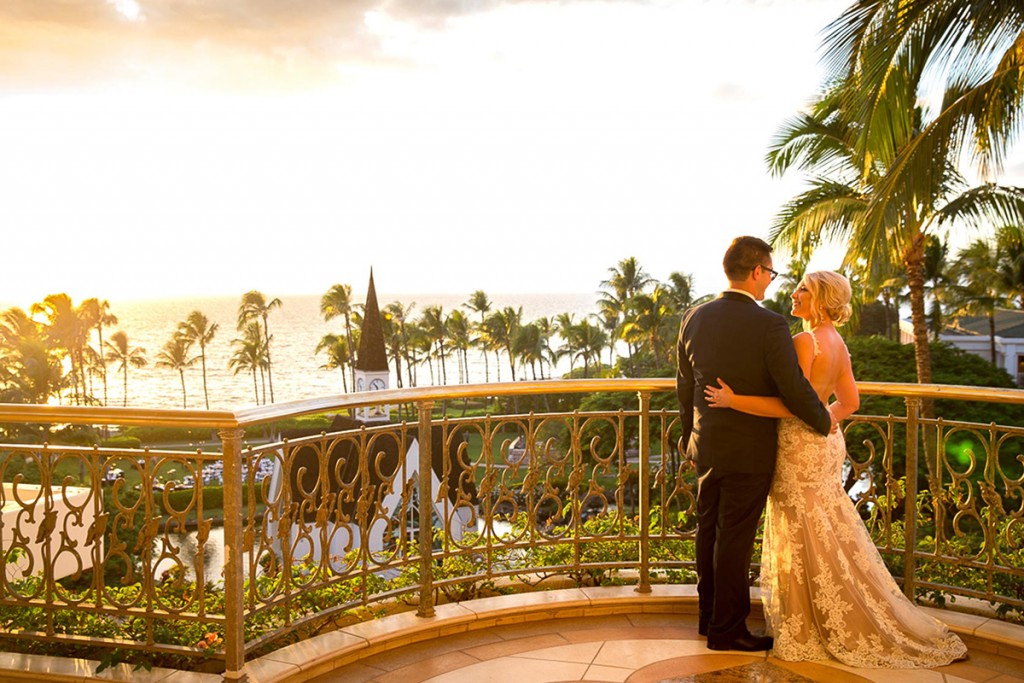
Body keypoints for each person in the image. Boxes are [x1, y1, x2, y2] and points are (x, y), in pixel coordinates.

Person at [704, 270, 968, 667]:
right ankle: (842, 612)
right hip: (826, 442)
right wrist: (826, 421)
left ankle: (811, 623)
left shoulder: (803, 341)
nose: (793, 294)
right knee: (826, 524)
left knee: (801, 528)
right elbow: (850, 401)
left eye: (803, 290)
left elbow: (789, 405)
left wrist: (733, 400)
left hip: (798, 444)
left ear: (822, 300)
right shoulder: (837, 342)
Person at [676, 236, 833, 652]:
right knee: (734, 538)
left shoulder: (694, 317)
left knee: (708, 531)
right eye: (771, 273)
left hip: (706, 444)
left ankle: (708, 619)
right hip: (749, 450)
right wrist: (824, 420)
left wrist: (688, 436)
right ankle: (728, 631)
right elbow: (794, 388)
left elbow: (685, 385)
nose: (771, 282)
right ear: (757, 271)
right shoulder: (770, 324)